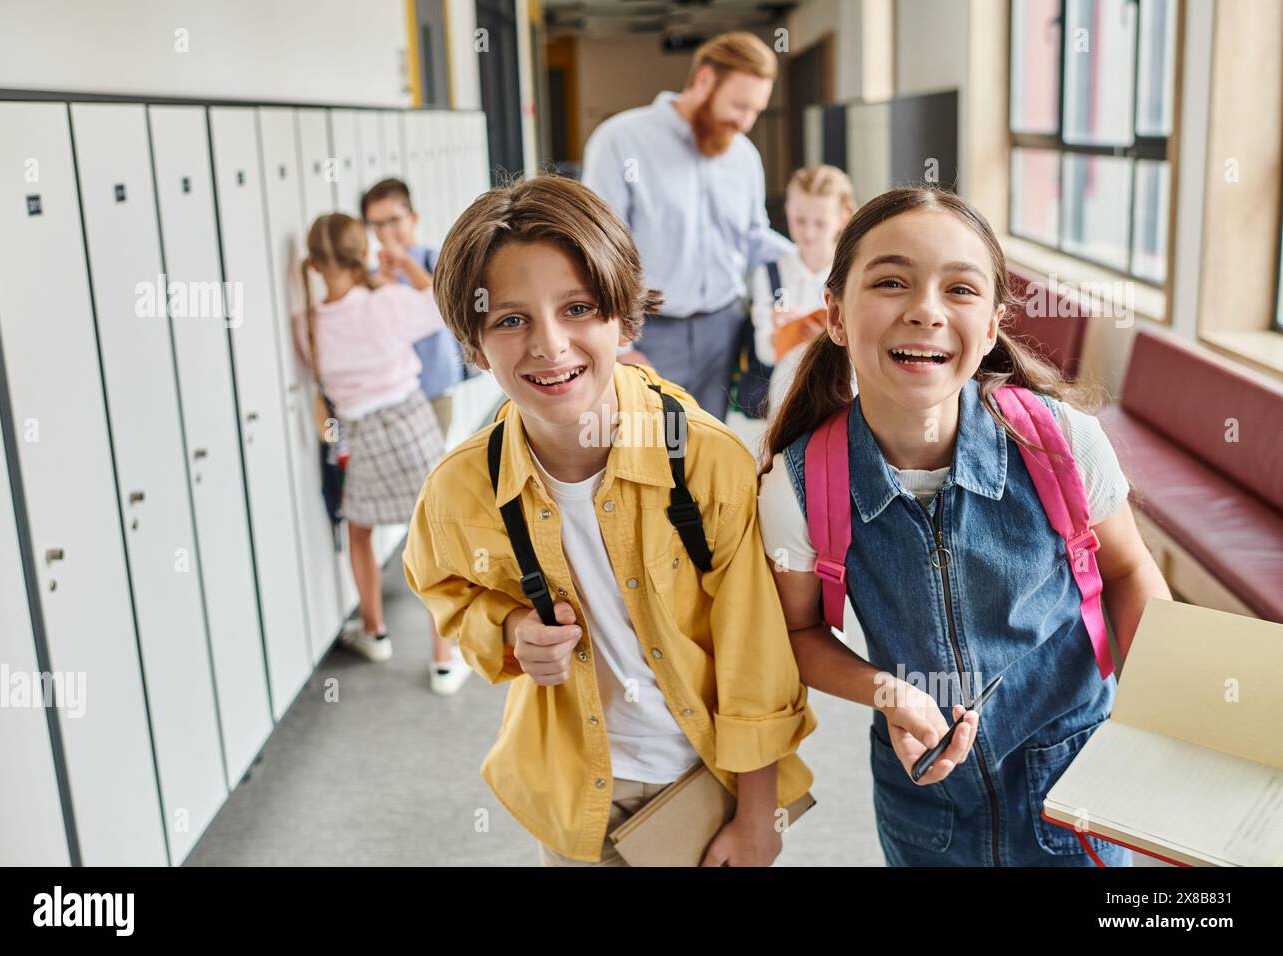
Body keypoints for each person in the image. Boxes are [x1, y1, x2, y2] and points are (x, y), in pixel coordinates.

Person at [403, 175, 815, 865]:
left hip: (708, 779)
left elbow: (758, 652)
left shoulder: (705, 462)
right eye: (510, 319)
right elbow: (445, 589)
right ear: (474, 346)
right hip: (577, 786)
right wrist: (509, 629)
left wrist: (756, 813)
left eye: (577, 308)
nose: (550, 345)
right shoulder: (461, 488)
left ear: (622, 317)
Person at [757, 186, 1171, 866]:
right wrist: (885, 692)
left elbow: (1126, 569)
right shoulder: (800, 485)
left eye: (960, 290)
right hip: (924, 804)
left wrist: (1170, 708)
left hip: (1075, 785)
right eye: (891, 281)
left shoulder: (1062, 444)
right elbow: (797, 633)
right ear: (833, 313)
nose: (924, 310)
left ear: (990, 326)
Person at [293, 213, 471, 694]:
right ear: (363, 254)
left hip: (361, 433)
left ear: (311, 266)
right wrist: (403, 266)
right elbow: (441, 303)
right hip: (409, 420)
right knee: (433, 537)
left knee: (359, 530)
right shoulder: (386, 304)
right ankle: (442, 659)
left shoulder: (305, 324)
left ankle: (374, 632)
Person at [582, 31, 793, 420]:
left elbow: (752, 238)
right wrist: (621, 347)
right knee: (645, 449)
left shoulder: (743, 155)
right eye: (739, 105)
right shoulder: (621, 141)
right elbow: (599, 254)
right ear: (704, 81)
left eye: (755, 111)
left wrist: (829, 263)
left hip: (724, 330)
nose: (746, 123)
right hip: (649, 332)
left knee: (708, 451)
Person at [361, 177, 465, 437]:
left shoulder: (434, 259)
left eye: (393, 221)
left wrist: (405, 264)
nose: (385, 233)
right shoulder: (374, 274)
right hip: (392, 398)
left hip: (433, 390)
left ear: (413, 217)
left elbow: (445, 305)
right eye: (377, 224)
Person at [750, 165, 857, 415]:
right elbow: (764, 353)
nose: (808, 231)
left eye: (820, 223)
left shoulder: (853, 272)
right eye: (800, 220)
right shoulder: (770, 273)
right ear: (787, 210)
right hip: (786, 396)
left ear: (843, 219)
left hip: (844, 394)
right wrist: (781, 334)